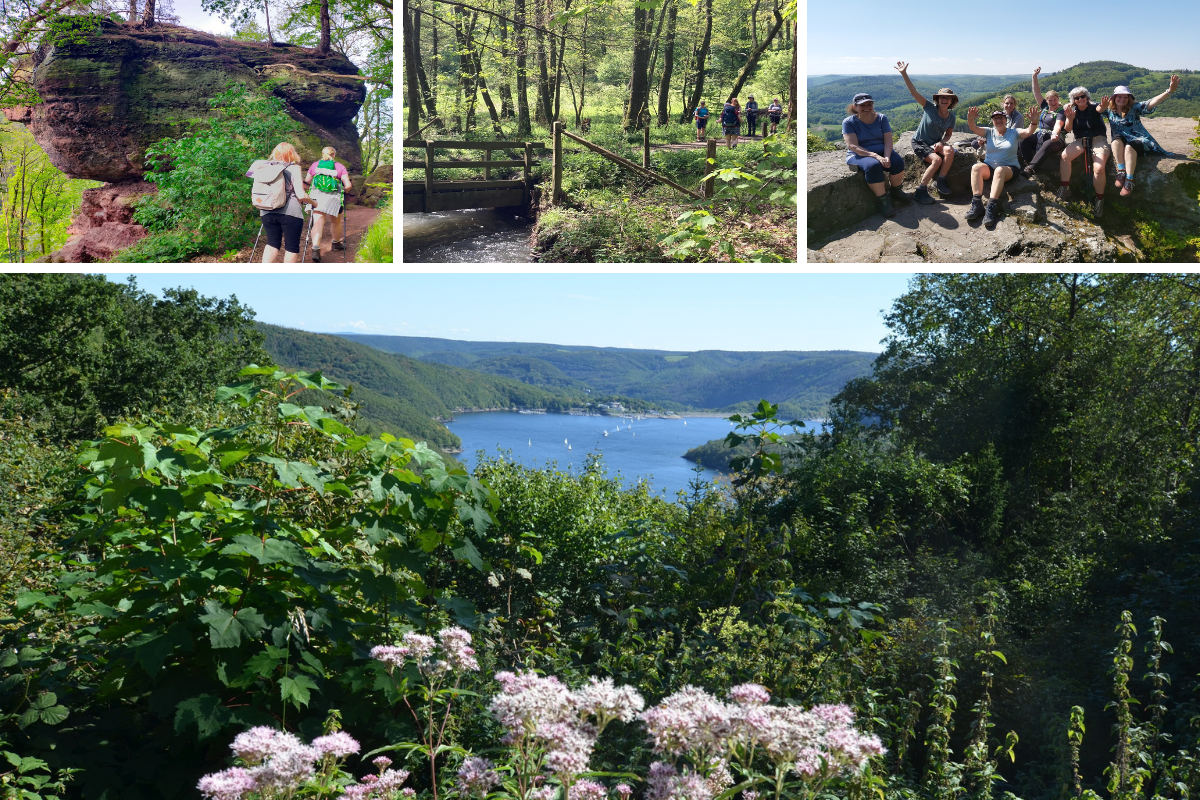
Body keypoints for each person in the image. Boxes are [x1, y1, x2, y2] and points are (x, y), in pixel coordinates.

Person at [964, 105, 1038, 229]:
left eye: (1001, 118)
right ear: (993, 121)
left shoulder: (1014, 132)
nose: (998, 120)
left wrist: (1034, 121)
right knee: (976, 167)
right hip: (990, 167)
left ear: (1006, 120)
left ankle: (991, 208)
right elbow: (974, 128)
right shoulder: (989, 131)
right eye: (995, 119)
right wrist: (970, 119)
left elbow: (1029, 131)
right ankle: (977, 205)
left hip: (1009, 169)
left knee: (999, 170)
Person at [1103, 75, 1178, 197]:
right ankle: (1121, 171)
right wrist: (1074, 101)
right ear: (1114, 98)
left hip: (1140, 140)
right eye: (1119, 96)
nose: (1122, 99)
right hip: (1121, 140)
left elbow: (1151, 103)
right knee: (1115, 141)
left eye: (1125, 97)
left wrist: (1169, 91)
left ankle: (1129, 180)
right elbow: (1091, 106)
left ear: (1129, 99)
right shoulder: (1109, 110)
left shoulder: (1134, 108)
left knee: (1129, 147)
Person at [894, 61, 958, 202]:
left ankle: (940, 180)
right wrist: (904, 73)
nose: (944, 99)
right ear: (938, 99)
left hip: (934, 143)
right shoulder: (929, 107)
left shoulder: (951, 118)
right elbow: (913, 92)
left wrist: (941, 142)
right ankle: (920, 190)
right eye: (942, 97)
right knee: (936, 160)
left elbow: (948, 135)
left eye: (948, 98)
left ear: (951, 101)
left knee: (950, 151)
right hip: (920, 142)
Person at [842, 92, 911, 218]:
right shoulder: (849, 122)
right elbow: (853, 146)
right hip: (858, 154)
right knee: (873, 166)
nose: (867, 107)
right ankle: (883, 201)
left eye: (869, 104)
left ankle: (896, 191)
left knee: (897, 162)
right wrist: (876, 156)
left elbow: (888, 140)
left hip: (881, 151)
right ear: (855, 107)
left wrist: (887, 156)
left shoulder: (881, 118)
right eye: (862, 105)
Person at [245, 142, 316, 263]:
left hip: (266, 210)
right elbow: (300, 195)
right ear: (292, 154)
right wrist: (314, 203)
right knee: (291, 247)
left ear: (275, 154)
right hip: (290, 212)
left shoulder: (264, 168)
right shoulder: (293, 168)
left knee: (272, 244)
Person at [1058, 86, 1110, 217]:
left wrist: (1104, 106)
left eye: (1083, 96)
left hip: (1098, 140)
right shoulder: (1072, 111)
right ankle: (1065, 187)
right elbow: (1068, 129)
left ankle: (1099, 199)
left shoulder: (1094, 107)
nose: (1080, 99)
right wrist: (1069, 118)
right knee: (1065, 156)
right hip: (1081, 140)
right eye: (1077, 98)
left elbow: (1100, 109)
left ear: (1087, 97)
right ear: (1074, 100)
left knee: (1098, 169)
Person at [304, 146, 354, 262]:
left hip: (317, 197)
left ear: (322, 154)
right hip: (333, 197)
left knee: (318, 221)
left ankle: (315, 247)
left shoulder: (315, 165)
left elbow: (307, 181)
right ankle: (335, 243)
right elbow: (348, 185)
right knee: (335, 221)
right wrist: (346, 190)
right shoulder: (340, 166)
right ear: (334, 155)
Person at [1019, 67, 1067, 177]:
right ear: (1047, 100)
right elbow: (1036, 91)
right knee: (1023, 140)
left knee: (1048, 143)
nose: (1053, 102)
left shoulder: (1061, 111)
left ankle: (1031, 169)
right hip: (1041, 134)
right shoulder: (1045, 107)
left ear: (1058, 99)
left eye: (1055, 99)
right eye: (1050, 100)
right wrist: (1034, 76)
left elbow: (1058, 124)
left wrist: (1055, 134)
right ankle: (1026, 162)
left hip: (1056, 138)